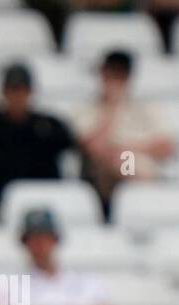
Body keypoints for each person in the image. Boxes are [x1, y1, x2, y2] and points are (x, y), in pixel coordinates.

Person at [73, 50, 175, 218]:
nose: (113, 81)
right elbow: (94, 148)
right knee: (122, 159)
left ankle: (145, 201)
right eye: (109, 75)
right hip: (105, 184)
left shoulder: (145, 107)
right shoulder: (86, 109)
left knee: (127, 157)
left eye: (119, 75)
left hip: (143, 170)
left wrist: (125, 147)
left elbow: (166, 147)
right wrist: (112, 109)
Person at [0, 63, 77, 212]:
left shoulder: (49, 126)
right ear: (4, 93)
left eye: (22, 91)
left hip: (47, 200)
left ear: (30, 93)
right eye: (13, 90)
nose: (17, 97)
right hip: (2, 204)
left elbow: (70, 143)